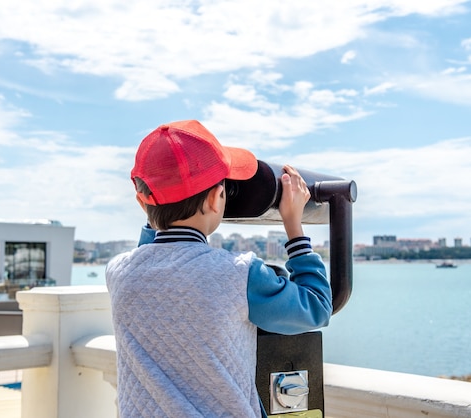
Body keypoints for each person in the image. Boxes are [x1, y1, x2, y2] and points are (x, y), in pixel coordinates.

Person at [106, 120, 332, 417]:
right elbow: (315, 307)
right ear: (216, 198)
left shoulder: (119, 272)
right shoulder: (239, 273)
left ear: (141, 202)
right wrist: (293, 224)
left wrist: (159, 205)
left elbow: (154, 260)